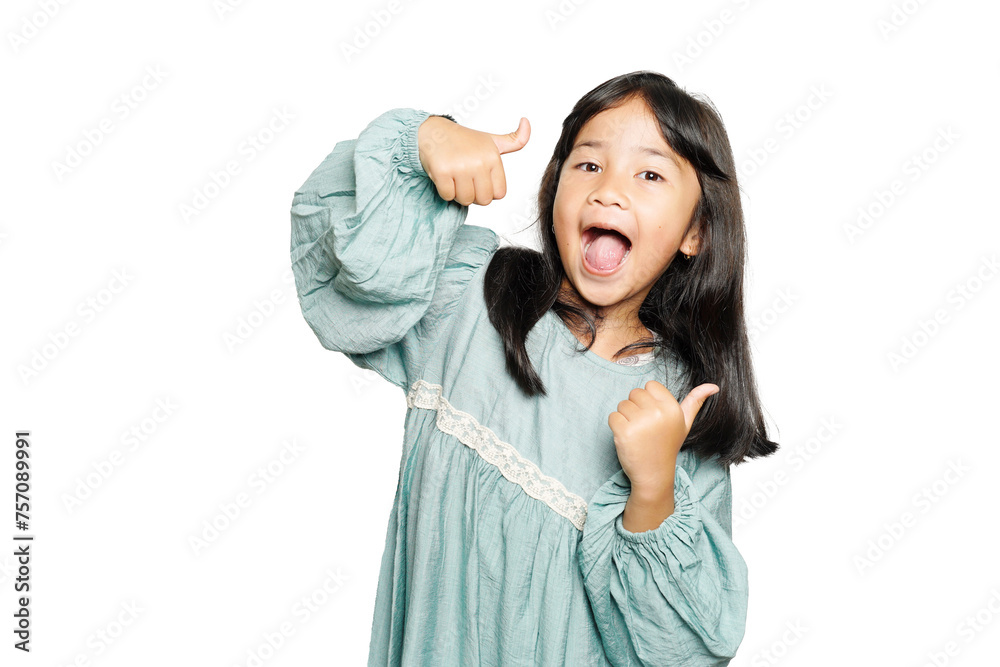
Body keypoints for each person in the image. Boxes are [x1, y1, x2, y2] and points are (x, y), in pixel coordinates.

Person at [289, 70, 779, 666]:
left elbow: (682, 651)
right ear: (553, 188)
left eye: (649, 175)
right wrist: (421, 143)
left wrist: (651, 490)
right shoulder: (473, 298)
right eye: (589, 165)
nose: (610, 192)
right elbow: (343, 266)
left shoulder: (681, 417)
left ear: (696, 231)